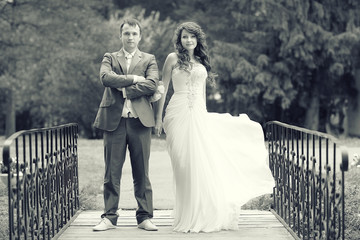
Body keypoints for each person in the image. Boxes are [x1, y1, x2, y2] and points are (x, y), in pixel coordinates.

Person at [154, 22, 275, 233]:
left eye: (192, 37)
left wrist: (205, 115)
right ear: (179, 39)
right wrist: (158, 118)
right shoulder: (172, 59)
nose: (188, 40)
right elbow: (163, 89)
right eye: (184, 37)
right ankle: (186, 214)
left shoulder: (201, 61)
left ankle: (202, 213)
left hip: (199, 114)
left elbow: (201, 94)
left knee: (200, 163)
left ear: (198, 39)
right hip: (177, 113)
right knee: (183, 164)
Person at [93, 18, 159, 232]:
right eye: (127, 33)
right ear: (121, 36)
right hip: (114, 122)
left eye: (134, 33)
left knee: (142, 172)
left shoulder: (149, 59)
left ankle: (144, 217)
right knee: (111, 173)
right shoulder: (109, 57)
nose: (130, 37)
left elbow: (152, 84)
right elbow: (105, 78)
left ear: (140, 36)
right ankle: (110, 218)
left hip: (140, 123)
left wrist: (125, 89)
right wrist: (133, 78)